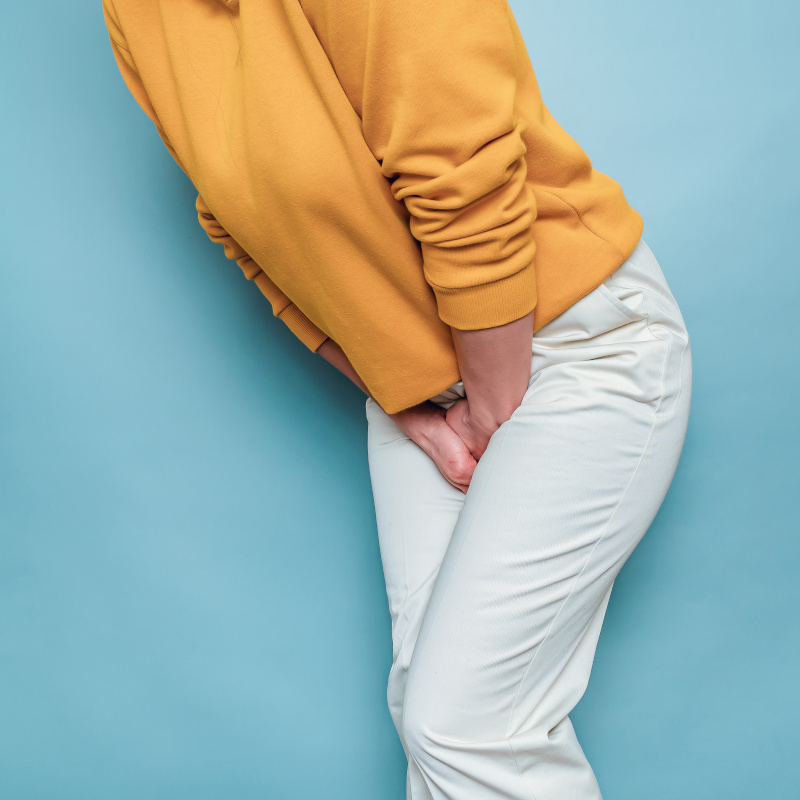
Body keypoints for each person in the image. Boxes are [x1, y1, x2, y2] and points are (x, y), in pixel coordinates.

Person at [102, 0, 692, 796]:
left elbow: (461, 171)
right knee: (432, 714)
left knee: (464, 726)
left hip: (578, 344)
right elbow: (236, 221)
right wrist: (409, 403)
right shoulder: (132, 12)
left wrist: (489, 405)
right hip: (426, 387)